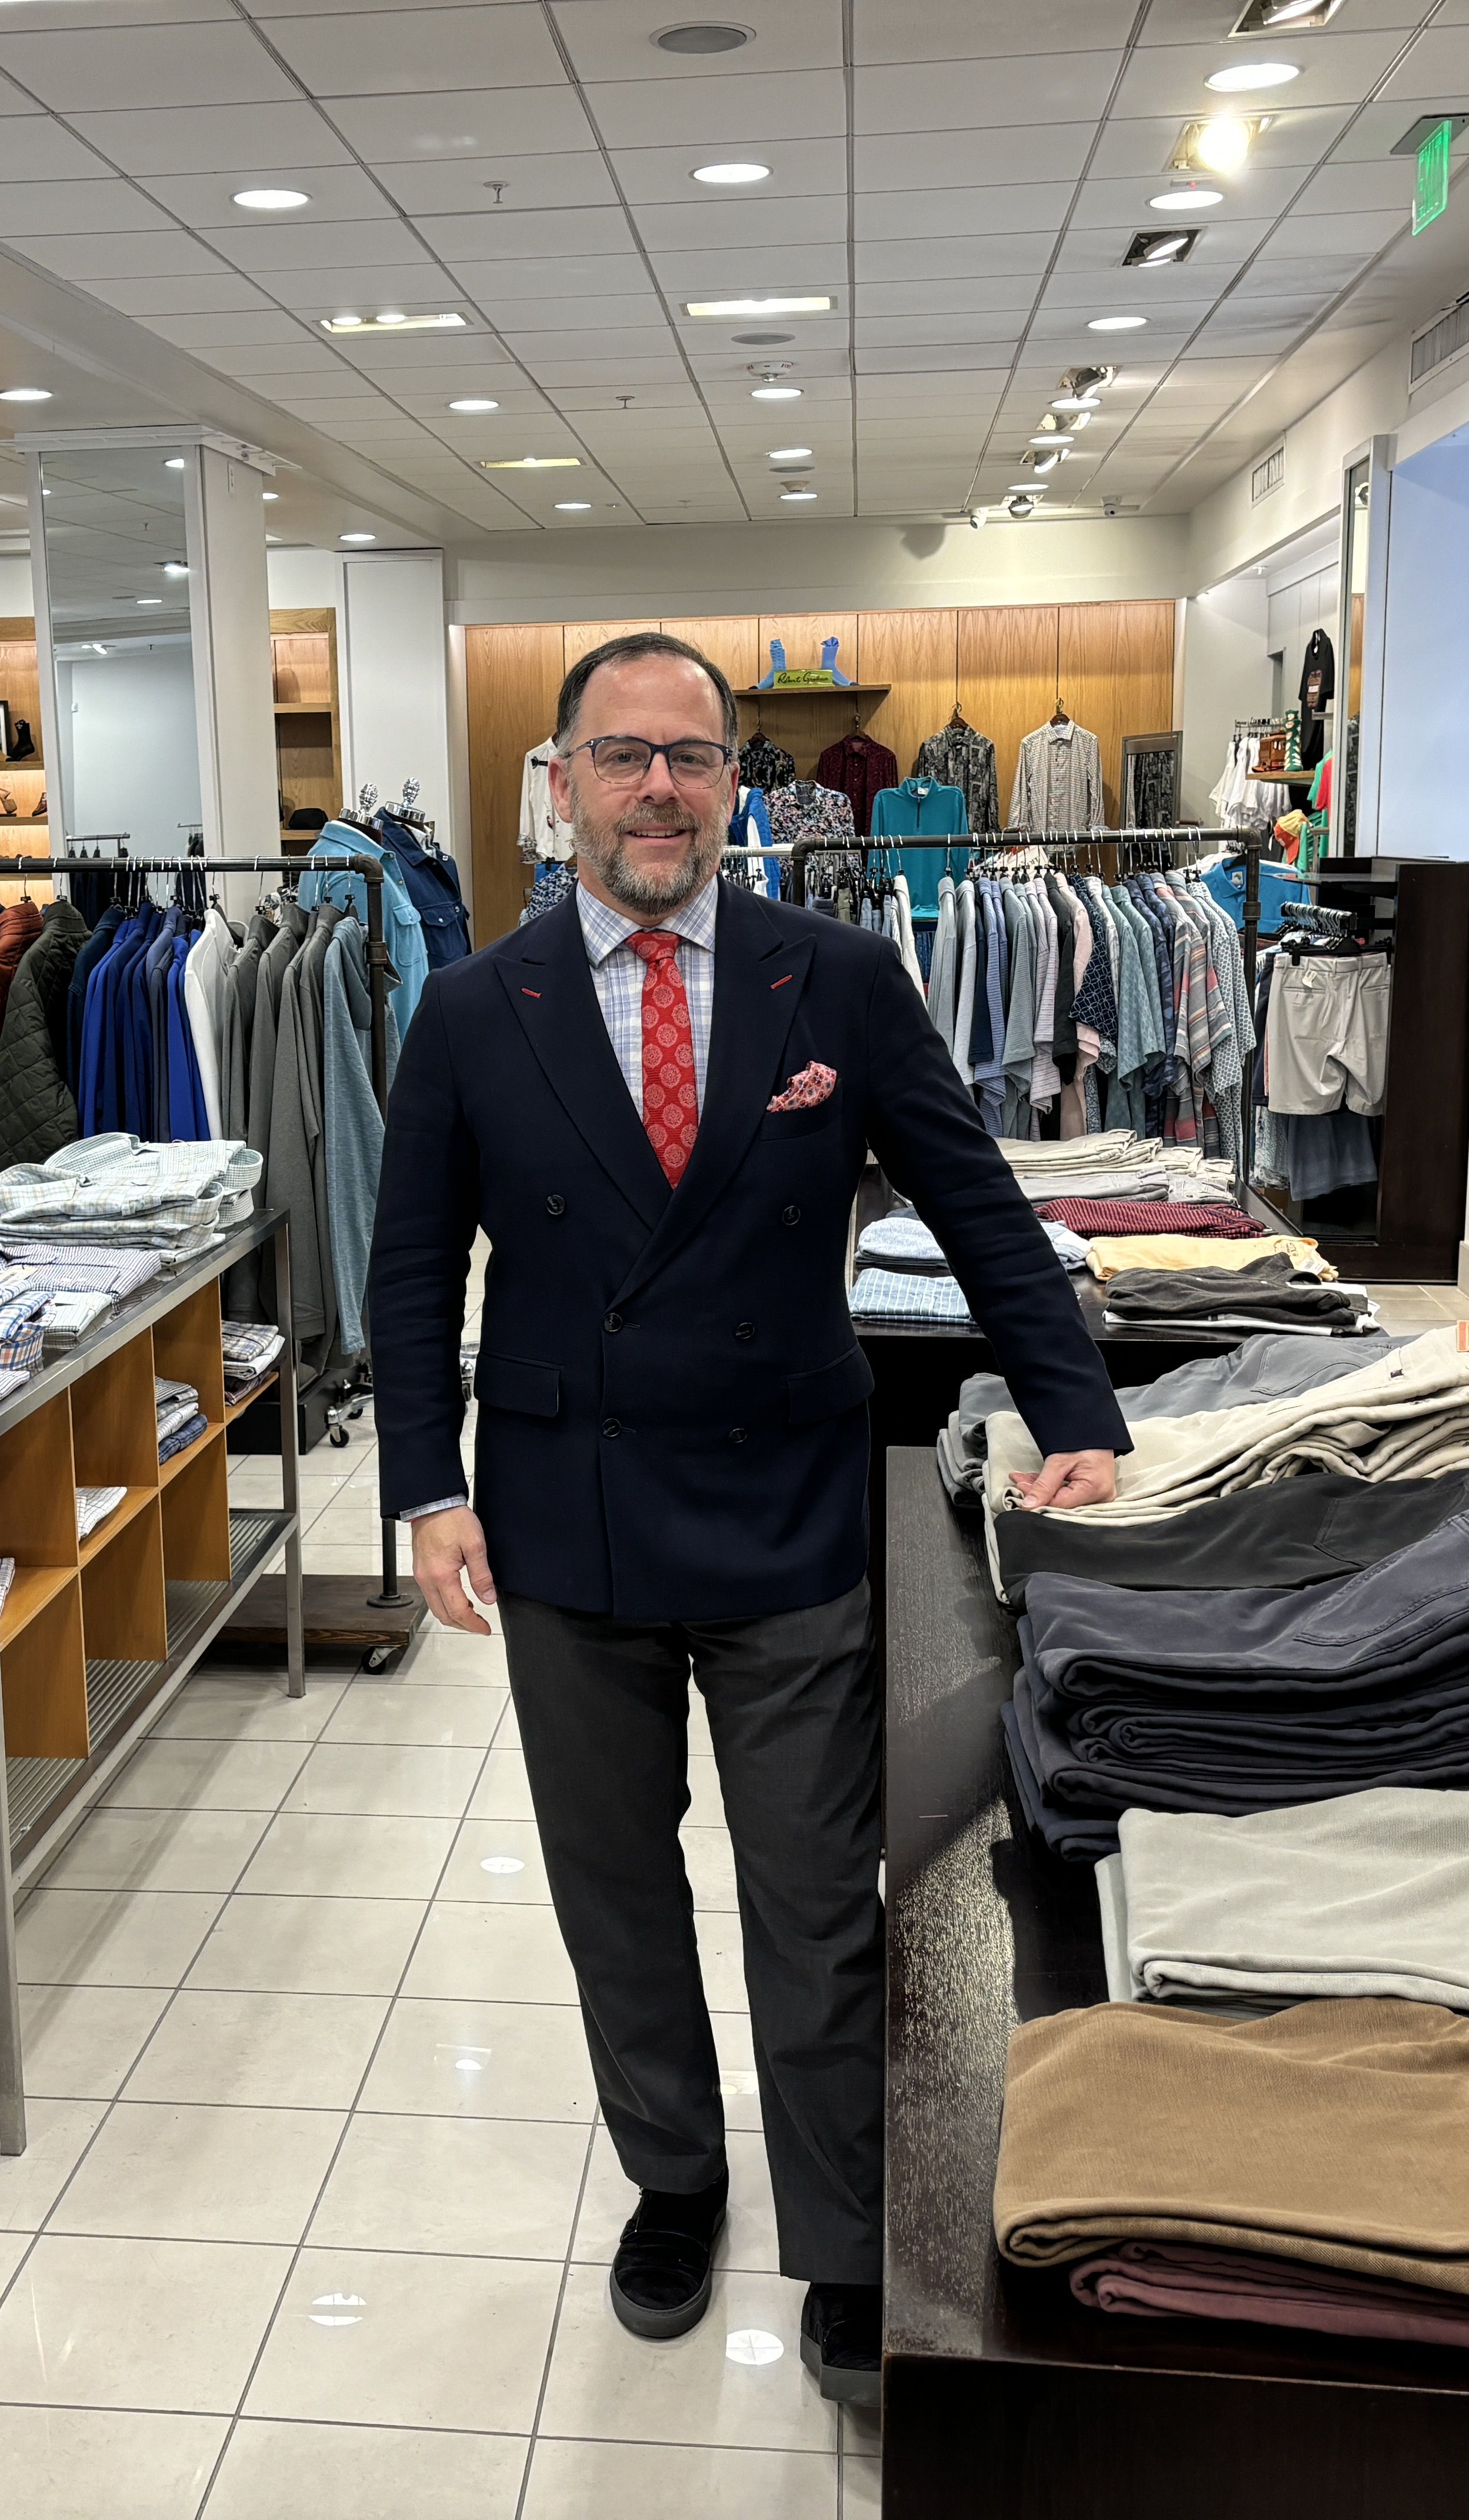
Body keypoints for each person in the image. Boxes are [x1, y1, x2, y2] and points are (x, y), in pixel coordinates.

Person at [367, 631, 1129, 2406]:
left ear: (734, 787)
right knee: (617, 1891)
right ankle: (676, 2177)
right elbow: (413, 1274)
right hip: (567, 1521)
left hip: (787, 1504)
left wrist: (1072, 1404)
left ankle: (847, 2233)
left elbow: (977, 1199)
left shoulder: (837, 979)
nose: (658, 788)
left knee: (816, 1898)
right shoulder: (478, 1005)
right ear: (559, 784)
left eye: (691, 759)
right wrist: (425, 1480)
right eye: (623, 757)